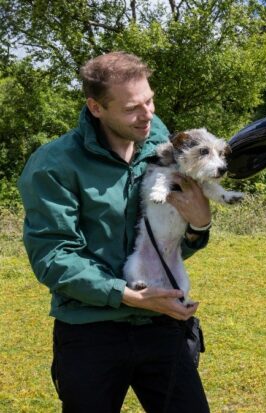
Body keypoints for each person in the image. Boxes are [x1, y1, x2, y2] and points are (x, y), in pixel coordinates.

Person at [18, 52, 211, 412]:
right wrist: (126, 295)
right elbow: (53, 256)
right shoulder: (54, 165)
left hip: (161, 323)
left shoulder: (164, 150)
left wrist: (200, 224)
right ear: (96, 107)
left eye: (150, 100)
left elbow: (168, 241)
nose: (147, 114)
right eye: (132, 108)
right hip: (90, 330)